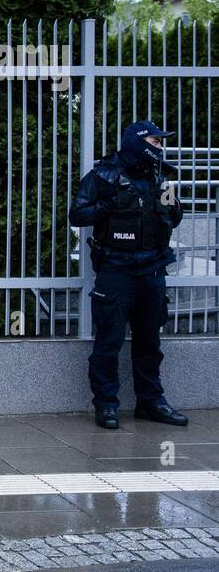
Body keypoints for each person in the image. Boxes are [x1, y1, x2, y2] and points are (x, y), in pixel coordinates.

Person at [70, 120, 187, 430]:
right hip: (116, 270)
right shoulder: (104, 175)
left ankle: (151, 402)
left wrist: (170, 200)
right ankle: (106, 404)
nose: (160, 147)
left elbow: (174, 218)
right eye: (156, 140)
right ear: (138, 141)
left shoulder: (159, 176)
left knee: (150, 341)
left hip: (152, 269)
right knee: (109, 341)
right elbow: (77, 214)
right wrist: (110, 203)